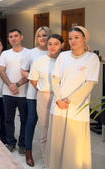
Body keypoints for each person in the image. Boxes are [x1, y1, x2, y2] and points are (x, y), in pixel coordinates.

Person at [48, 26, 99, 169]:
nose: (73, 41)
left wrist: (69, 101)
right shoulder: (63, 56)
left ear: (84, 39)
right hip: (58, 106)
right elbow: (55, 79)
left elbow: (89, 83)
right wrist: (59, 99)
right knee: (57, 144)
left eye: (76, 37)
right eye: (70, 38)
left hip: (76, 109)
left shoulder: (92, 58)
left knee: (74, 149)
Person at [28, 34, 64, 168]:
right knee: (45, 130)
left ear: (62, 45)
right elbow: (33, 79)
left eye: (56, 44)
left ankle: (59, 160)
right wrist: (42, 90)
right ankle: (48, 162)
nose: (52, 47)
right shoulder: (40, 60)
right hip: (44, 97)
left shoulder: (65, 59)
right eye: (50, 44)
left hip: (61, 97)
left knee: (58, 130)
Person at [21, 26, 50, 166]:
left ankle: (49, 152)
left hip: (50, 95)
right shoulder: (31, 53)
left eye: (45, 35)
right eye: (39, 36)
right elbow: (23, 71)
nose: (42, 38)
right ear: (36, 38)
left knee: (48, 125)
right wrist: (36, 82)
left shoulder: (56, 52)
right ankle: (28, 152)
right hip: (33, 94)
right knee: (31, 121)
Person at [0, 28, 29, 154]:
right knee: (8, 119)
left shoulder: (29, 53)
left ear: (21, 37)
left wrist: (16, 85)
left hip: (24, 93)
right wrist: (10, 85)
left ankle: (22, 144)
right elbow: (1, 70)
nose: (13, 38)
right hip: (7, 92)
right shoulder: (5, 54)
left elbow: (31, 72)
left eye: (16, 36)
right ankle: (11, 142)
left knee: (24, 120)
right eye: (11, 36)